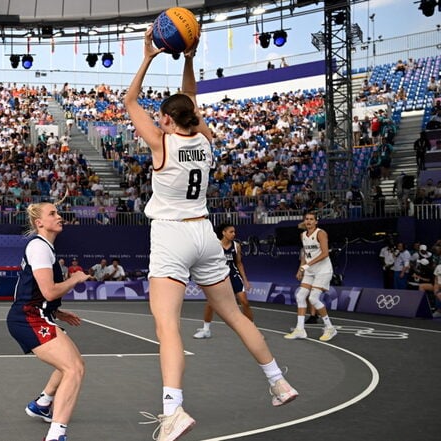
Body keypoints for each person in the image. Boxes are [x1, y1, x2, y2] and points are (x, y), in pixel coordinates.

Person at [123, 28, 297, 441]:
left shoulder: (161, 143)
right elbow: (191, 105)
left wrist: (148, 56)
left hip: (170, 235)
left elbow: (129, 101)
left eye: (163, 115)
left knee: (167, 326)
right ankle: (278, 381)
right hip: (204, 231)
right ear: (192, 118)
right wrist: (187, 58)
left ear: (166, 119)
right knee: (234, 314)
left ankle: (173, 411)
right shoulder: (204, 139)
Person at [6, 202, 91, 441]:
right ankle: (55, 435)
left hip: (35, 314)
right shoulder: (39, 247)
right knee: (73, 368)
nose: (59, 216)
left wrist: (57, 313)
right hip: (28, 318)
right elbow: (50, 291)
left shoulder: (45, 249)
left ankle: (42, 404)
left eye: (58, 212)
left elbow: (40, 294)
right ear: (39, 222)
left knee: (73, 363)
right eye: (52, 213)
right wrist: (75, 279)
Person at [284, 211, 338, 341]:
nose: (308, 221)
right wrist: (300, 269)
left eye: (311, 219)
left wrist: (307, 266)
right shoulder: (303, 235)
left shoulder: (321, 233)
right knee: (300, 296)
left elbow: (325, 253)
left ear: (316, 221)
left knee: (313, 298)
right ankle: (300, 330)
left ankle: (330, 328)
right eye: (306, 219)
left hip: (323, 271)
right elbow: (305, 254)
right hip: (309, 271)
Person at [193, 223, 254, 339]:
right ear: (223, 233)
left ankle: (251, 329)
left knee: (244, 301)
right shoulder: (215, 245)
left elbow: (239, 263)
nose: (233, 234)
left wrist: (245, 280)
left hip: (233, 275)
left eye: (234, 232)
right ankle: (206, 330)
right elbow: (207, 263)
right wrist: (202, 280)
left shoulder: (236, 246)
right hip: (219, 276)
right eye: (231, 232)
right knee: (211, 304)